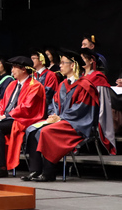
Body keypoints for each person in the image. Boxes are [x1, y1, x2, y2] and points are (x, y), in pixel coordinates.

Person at [23, 50, 100, 182]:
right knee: (32, 129)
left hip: (77, 124)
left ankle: (49, 172)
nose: (60, 65)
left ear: (73, 65)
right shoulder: (62, 85)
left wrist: (60, 118)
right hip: (61, 121)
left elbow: (80, 110)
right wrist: (53, 115)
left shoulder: (85, 86)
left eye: (63, 63)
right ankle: (35, 170)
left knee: (45, 131)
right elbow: (54, 103)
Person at [0, 55, 46, 178]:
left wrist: (6, 116)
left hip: (24, 119)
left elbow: (26, 107)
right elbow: (2, 104)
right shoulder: (12, 85)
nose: (12, 70)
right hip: (9, 118)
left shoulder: (35, 85)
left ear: (23, 69)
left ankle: (0, 167)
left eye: (14, 67)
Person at [80, 48, 117, 155]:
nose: (80, 61)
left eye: (83, 58)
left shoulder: (98, 78)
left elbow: (103, 103)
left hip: (91, 113)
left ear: (91, 60)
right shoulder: (80, 77)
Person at [32, 50, 59, 116]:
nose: (31, 60)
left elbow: (48, 95)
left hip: (46, 110)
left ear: (41, 60)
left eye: (33, 58)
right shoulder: (31, 76)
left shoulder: (51, 75)